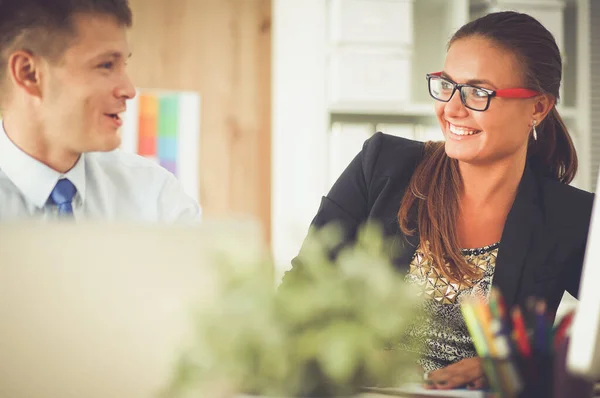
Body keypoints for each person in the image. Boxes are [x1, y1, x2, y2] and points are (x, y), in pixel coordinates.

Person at [281, 11, 594, 391]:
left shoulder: (572, 217)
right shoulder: (381, 166)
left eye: (479, 92)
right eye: (447, 85)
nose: (452, 108)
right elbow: (298, 296)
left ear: (538, 107)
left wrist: (515, 364)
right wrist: (354, 351)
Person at [0, 0, 200, 222]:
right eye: (106, 65)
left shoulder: (156, 199)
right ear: (29, 73)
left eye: (123, 65)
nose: (129, 90)